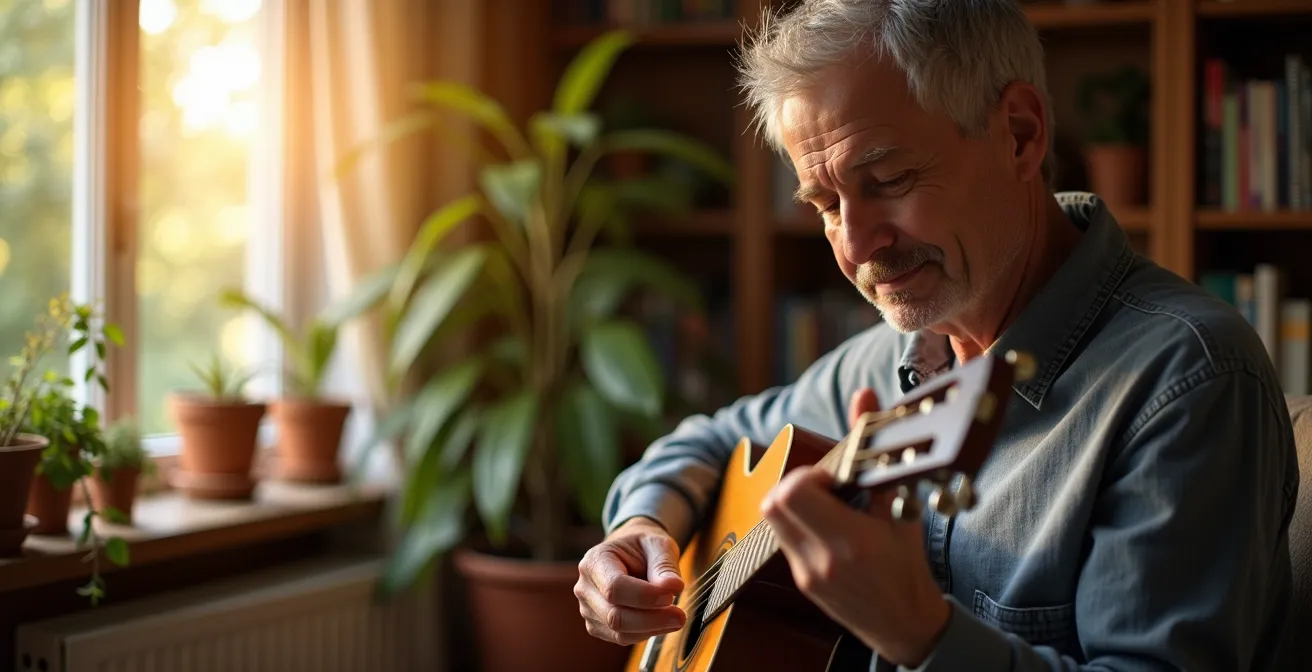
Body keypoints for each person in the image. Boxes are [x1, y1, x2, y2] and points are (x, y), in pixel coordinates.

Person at [573, 1, 1300, 669]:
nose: (856, 246)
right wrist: (640, 528)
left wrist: (921, 633)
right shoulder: (890, 358)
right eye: (824, 202)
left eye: (887, 179)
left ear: (1019, 135)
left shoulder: (1188, 382)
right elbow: (708, 440)